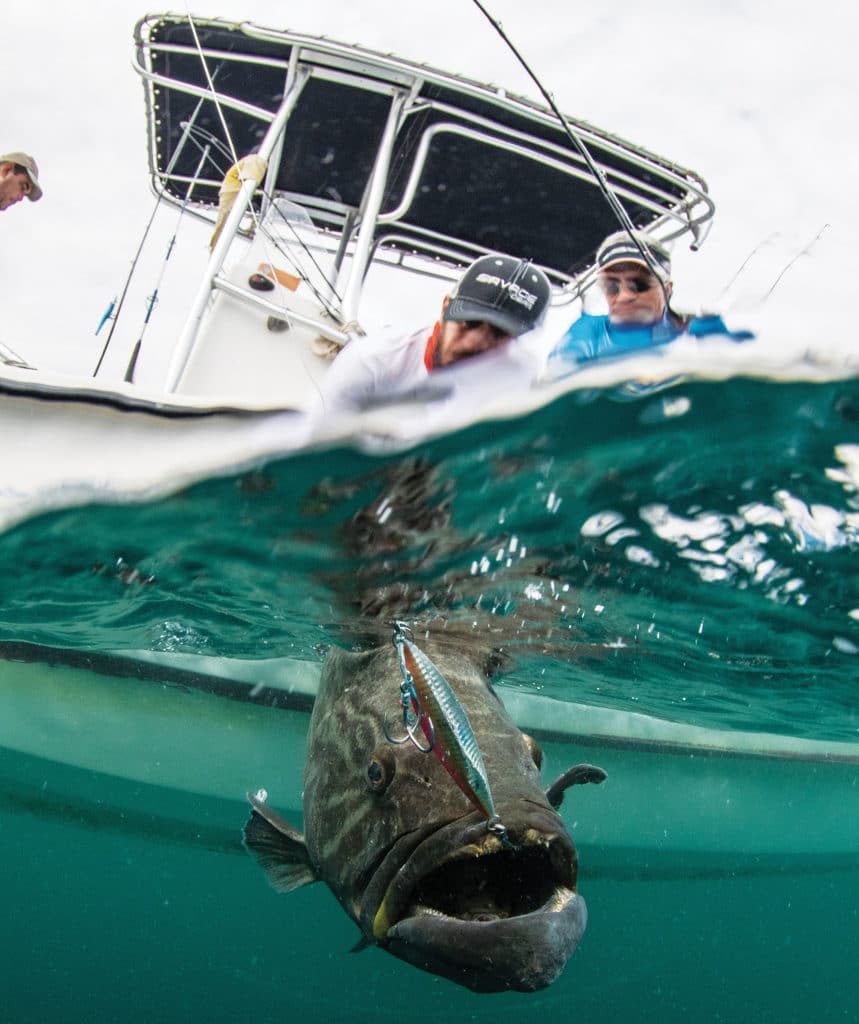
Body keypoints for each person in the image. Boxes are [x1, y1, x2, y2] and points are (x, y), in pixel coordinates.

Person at [318, 254, 551, 411]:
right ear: (444, 307)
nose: (474, 344)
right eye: (468, 322)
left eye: (499, 334)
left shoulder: (520, 381)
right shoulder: (371, 360)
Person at [548, 229, 752, 369]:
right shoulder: (587, 331)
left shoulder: (701, 329)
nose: (625, 296)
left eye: (638, 283)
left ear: (667, 289)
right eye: (612, 287)